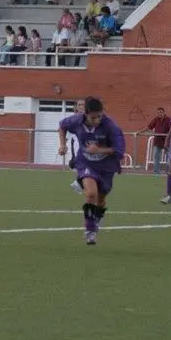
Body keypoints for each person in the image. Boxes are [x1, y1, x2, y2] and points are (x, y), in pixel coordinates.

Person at [58, 97, 126, 246]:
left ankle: (97, 217)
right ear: (85, 114)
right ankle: (90, 231)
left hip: (107, 167)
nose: (97, 120)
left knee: (101, 200)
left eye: (99, 116)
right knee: (90, 194)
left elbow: (119, 151)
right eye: (93, 117)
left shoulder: (110, 126)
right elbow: (62, 126)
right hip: (86, 163)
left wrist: (99, 150)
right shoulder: (76, 121)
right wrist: (62, 145)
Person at [145, 107, 171, 175]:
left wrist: (170, 136)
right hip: (157, 141)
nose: (159, 114)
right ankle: (156, 172)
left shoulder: (168, 119)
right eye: (158, 113)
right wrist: (139, 132)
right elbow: (149, 127)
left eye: (161, 112)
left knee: (169, 156)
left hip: (166, 141)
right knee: (156, 156)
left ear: (164, 112)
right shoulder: (156, 119)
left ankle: (168, 171)